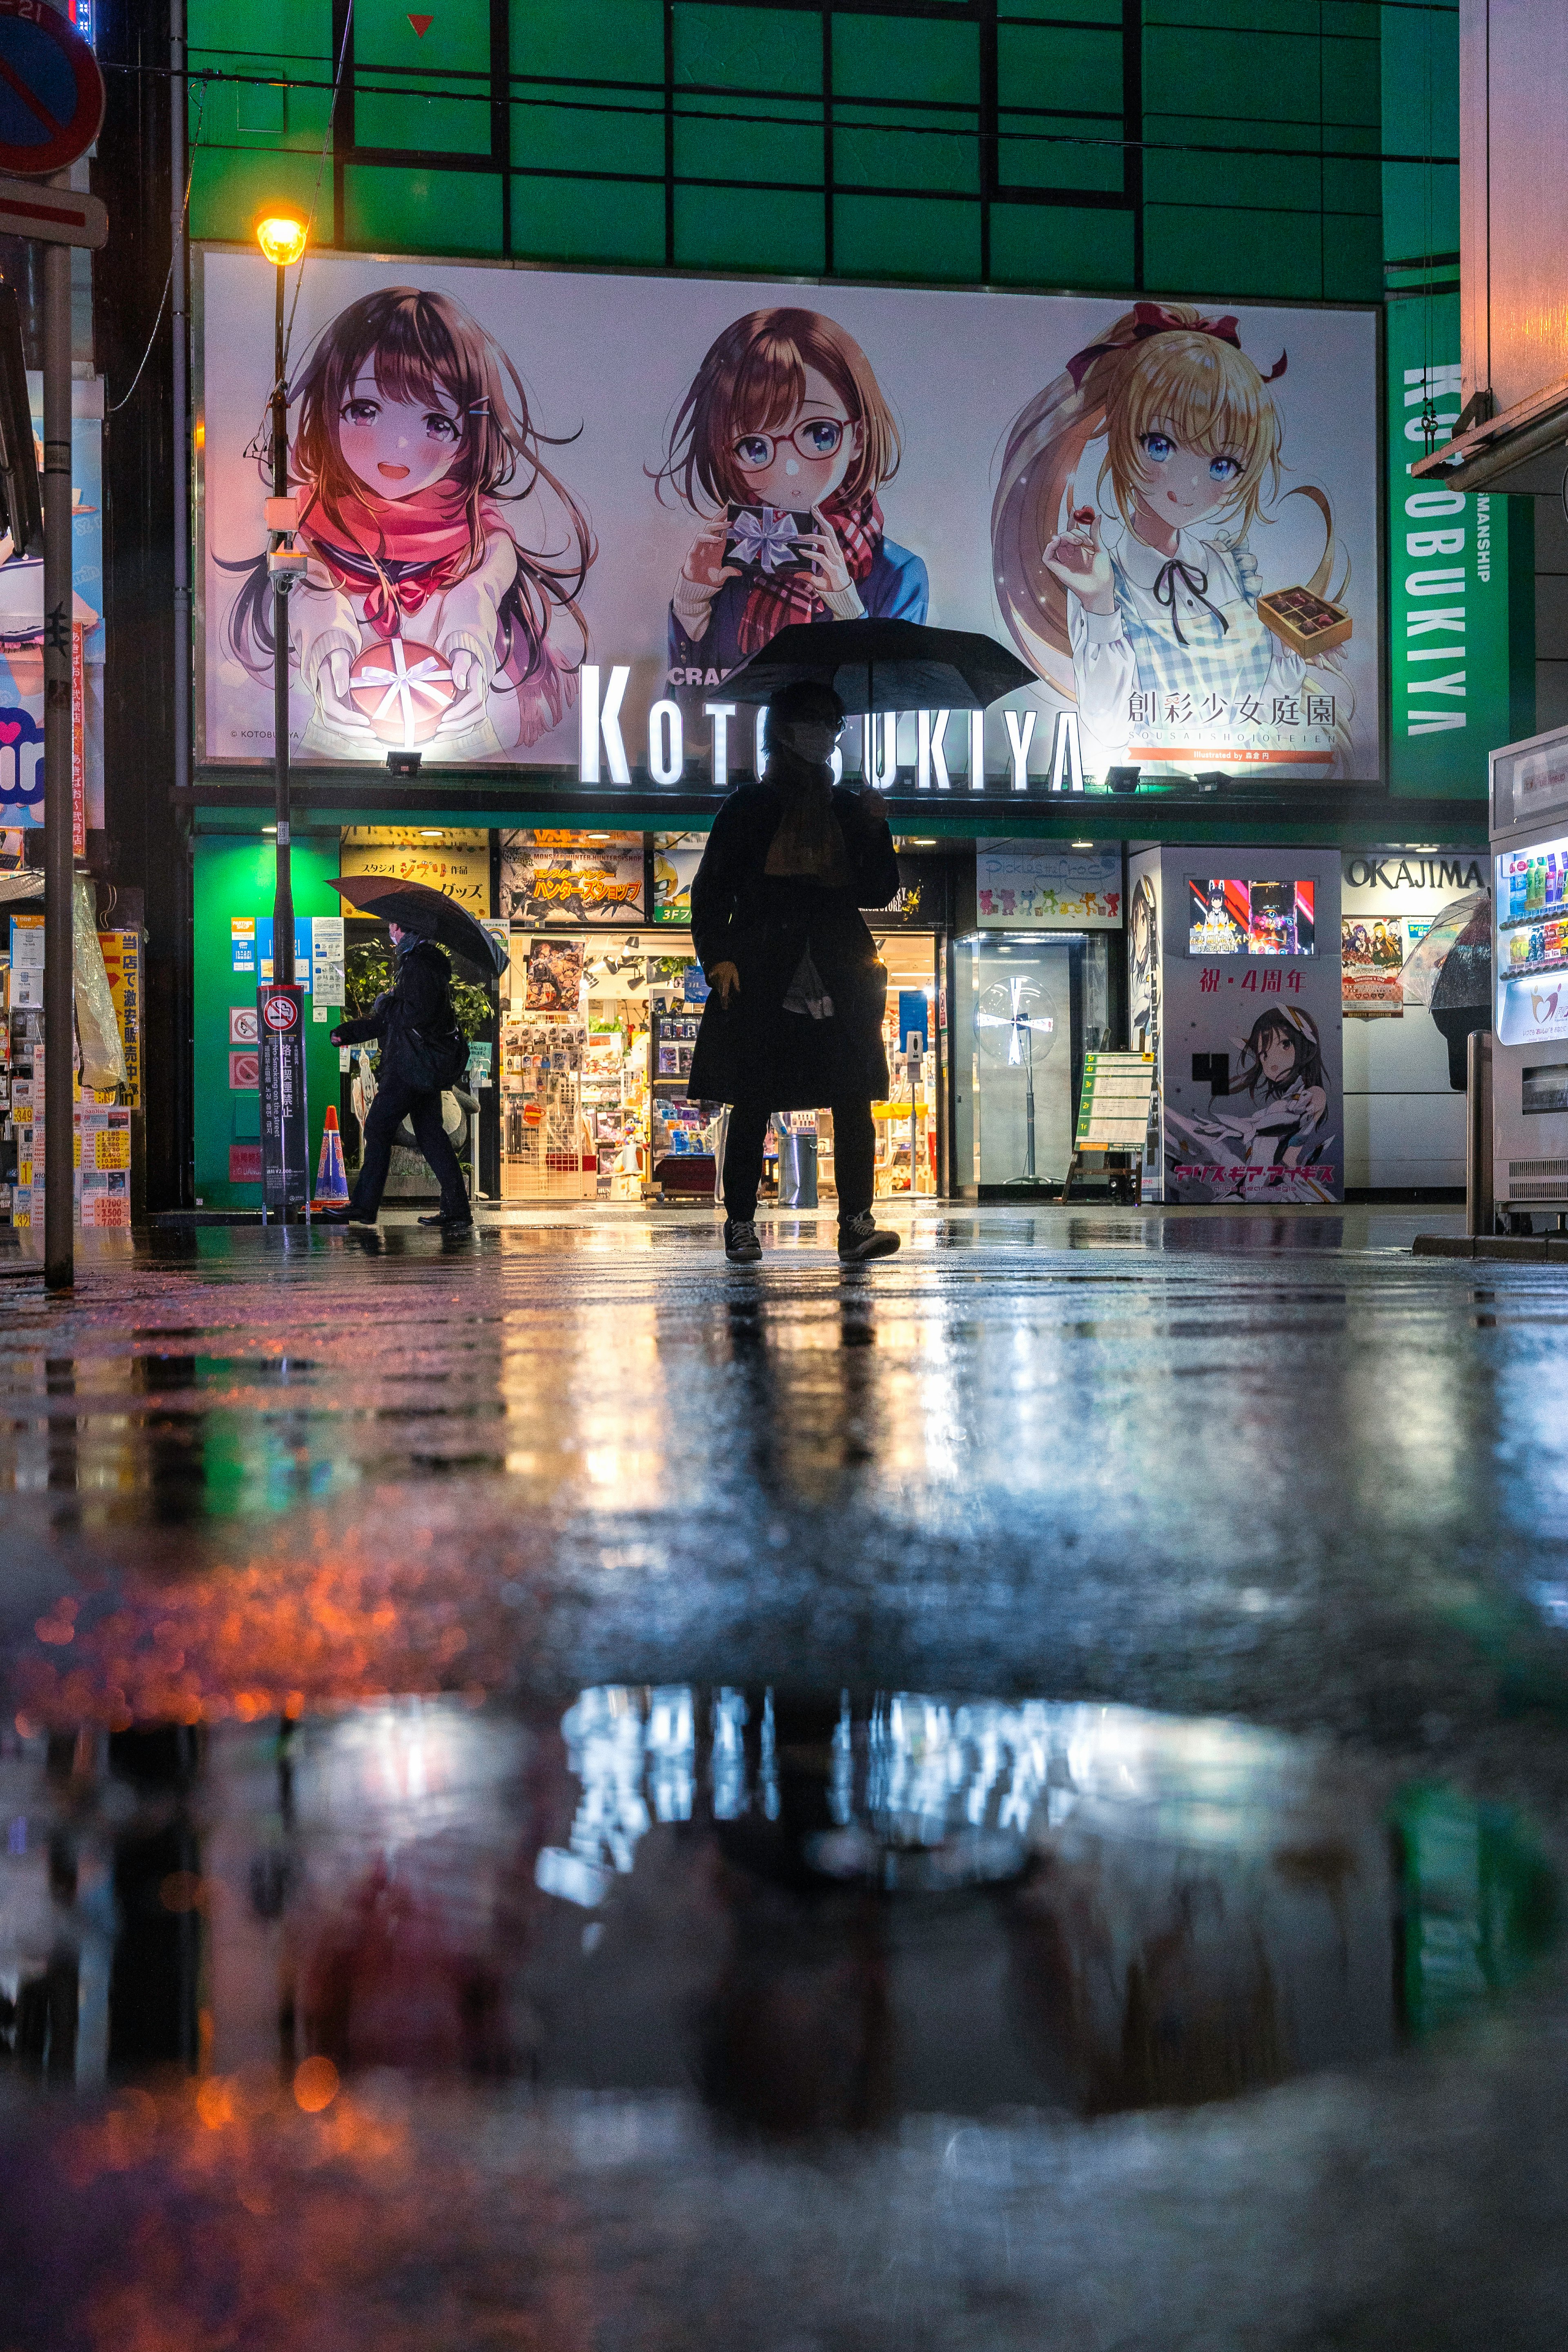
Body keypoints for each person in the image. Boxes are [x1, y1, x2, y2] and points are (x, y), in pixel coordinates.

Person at [221, 285, 593, 757]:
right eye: (365, 410)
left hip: (466, 734)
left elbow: (488, 580)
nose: (397, 448)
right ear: (330, 407)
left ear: (469, 434)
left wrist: (470, 625)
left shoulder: (481, 529)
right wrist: (324, 626)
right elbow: (303, 575)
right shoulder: (305, 517)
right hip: (332, 743)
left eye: (437, 422)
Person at [687, 679, 902, 1264]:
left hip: (837, 974)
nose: (825, 736)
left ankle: (857, 1222)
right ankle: (740, 1223)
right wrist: (719, 958)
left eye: (833, 724)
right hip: (764, 972)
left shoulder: (849, 808)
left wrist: (876, 826)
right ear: (782, 731)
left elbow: (881, 890)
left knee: (853, 1097)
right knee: (752, 1099)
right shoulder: (748, 806)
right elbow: (710, 894)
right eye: (814, 722)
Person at [653, 306, 927, 693]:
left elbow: (890, 715)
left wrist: (848, 610)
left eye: (818, 435)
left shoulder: (897, 577)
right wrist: (691, 601)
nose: (791, 470)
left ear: (859, 437)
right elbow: (690, 717)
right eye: (754, 446)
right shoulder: (732, 568)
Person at [321, 912, 473, 1231]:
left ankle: (364, 1207)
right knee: (431, 1137)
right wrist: (348, 1034)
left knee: (377, 1129)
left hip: (409, 1067)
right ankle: (457, 1209)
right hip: (418, 1066)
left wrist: (383, 1004)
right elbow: (395, 1019)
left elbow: (411, 1014)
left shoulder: (417, 965)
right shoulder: (417, 964)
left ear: (401, 929)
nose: (389, 931)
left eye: (392, 926)